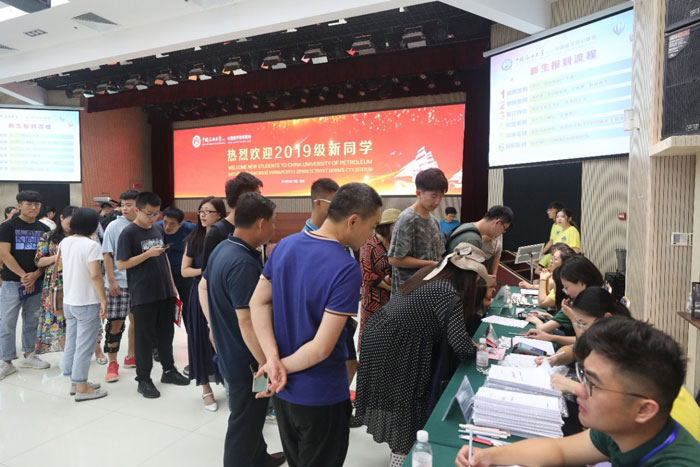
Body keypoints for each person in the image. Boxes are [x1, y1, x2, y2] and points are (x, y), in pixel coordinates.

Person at [250, 183, 382, 467]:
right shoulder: (346, 268)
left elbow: (257, 303)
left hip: (284, 393)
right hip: (321, 395)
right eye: (372, 227)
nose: (372, 236)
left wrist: (273, 362)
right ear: (353, 221)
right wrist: (279, 367)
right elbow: (321, 348)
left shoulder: (285, 246)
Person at [456, 317, 700, 466]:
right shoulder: (623, 427)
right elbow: (559, 450)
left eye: (593, 384)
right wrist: (488, 457)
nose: (580, 390)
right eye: (583, 375)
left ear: (644, 410)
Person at [357, 243, 489, 467]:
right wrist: (480, 349)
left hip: (383, 334)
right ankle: (401, 458)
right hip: (396, 344)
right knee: (406, 403)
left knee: (400, 402)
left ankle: (399, 451)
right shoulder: (448, 293)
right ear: (470, 277)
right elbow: (460, 344)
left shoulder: (431, 274)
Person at [199, 192, 285, 467]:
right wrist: (265, 364)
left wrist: (213, 326)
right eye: (273, 222)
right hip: (247, 361)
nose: (274, 228)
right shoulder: (243, 263)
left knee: (253, 415)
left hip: (231, 351)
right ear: (260, 223)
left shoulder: (224, 248)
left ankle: (259, 458)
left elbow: (203, 287)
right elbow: (247, 321)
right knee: (244, 420)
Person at [116, 191, 189, 398]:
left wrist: (172, 285)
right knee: (145, 339)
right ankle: (144, 379)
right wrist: (147, 254)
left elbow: (164, 257)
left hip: (164, 291)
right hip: (143, 293)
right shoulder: (129, 233)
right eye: (149, 213)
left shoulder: (157, 229)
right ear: (137, 210)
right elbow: (121, 264)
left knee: (166, 334)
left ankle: (169, 371)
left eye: (156, 214)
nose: (153, 218)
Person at [181, 196, 226, 410]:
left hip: (222, 295)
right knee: (200, 339)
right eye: (201, 211)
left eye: (208, 211)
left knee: (222, 340)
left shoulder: (226, 238)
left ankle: (228, 381)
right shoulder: (194, 239)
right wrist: (207, 271)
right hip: (199, 295)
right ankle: (206, 389)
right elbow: (184, 270)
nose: (203, 215)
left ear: (220, 215)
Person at [0, 190, 51, 380]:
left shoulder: (44, 228)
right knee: (7, 321)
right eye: (29, 204)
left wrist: (35, 275)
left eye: (37, 204)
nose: (33, 208)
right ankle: (6, 360)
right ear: (19, 205)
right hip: (12, 282)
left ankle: (30, 354)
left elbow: (47, 256)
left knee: (32, 320)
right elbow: (4, 254)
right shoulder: (7, 226)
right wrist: (23, 276)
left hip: (37, 281)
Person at [60, 208, 109, 401]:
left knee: (72, 341)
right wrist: (103, 299)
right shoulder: (91, 245)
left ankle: (75, 381)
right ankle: (82, 387)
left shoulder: (65, 242)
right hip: (87, 301)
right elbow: (95, 275)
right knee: (85, 346)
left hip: (69, 301)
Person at [388, 168, 448, 295]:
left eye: (441, 196)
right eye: (434, 196)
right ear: (419, 193)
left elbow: (438, 255)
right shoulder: (407, 219)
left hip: (429, 291)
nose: (438, 202)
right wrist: (430, 264)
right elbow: (394, 259)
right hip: (407, 295)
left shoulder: (434, 221)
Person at [102, 189, 138, 383]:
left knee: (137, 321)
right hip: (119, 283)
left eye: (129, 205)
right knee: (115, 323)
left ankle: (131, 355)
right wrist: (111, 280)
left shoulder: (144, 225)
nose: (125, 208)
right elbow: (107, 254)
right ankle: (112, 362)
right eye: (123, 205)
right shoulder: (114, 226)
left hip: (139, 283)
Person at [527, 255, 604, 346]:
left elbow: (585, 341)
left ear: (581, 283)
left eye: (566, 287)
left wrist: (550, 336)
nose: (566, 292)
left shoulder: (591, 304)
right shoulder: (593, 296)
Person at [34, 205, 78, 354]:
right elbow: (38, 261)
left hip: (77, 282)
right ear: (61, 218)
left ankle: (78, 352)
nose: (71, 227)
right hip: (55, 284)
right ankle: (68, 353)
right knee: (58, 319)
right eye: (69, 223)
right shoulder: (48, 236)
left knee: (76, 317)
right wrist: (58, 256)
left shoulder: (81, 237)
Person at [156, 206, 195, 369]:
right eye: (165, 222)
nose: (167, 227)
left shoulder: (191, 229)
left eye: (172, 224)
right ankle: (159, 347)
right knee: (163, 312)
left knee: (189, 310)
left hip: (184, 274)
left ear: (181, 224)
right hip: (163, 275)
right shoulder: (156, 228)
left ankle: (194, 345)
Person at [201, 172, 262, 271]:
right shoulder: (216, 233)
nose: (261, 201)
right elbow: (207, 273)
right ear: (242, 199)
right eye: (257, 196)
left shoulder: (256, 227)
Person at [358, 208, 399, 347]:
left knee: (389, 336)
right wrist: (390, 288)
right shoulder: (369, 244)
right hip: (373, 299)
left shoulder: (395, 245)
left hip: (392, 299)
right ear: (387, 227)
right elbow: (366, 274)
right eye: (396, 226)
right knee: (372, 336)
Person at [445, 205, 513, 253]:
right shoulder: (474, 240)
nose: (501, 233)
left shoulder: (466, 226)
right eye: (504, 229)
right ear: (497, 223)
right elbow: (466, 269)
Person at [538, 201, 565, 269]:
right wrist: (541, 253)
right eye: (548, 210)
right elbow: (551, 241)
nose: (548, 212)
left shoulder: (564, 226)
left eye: (551, 210)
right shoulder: (554, 225)